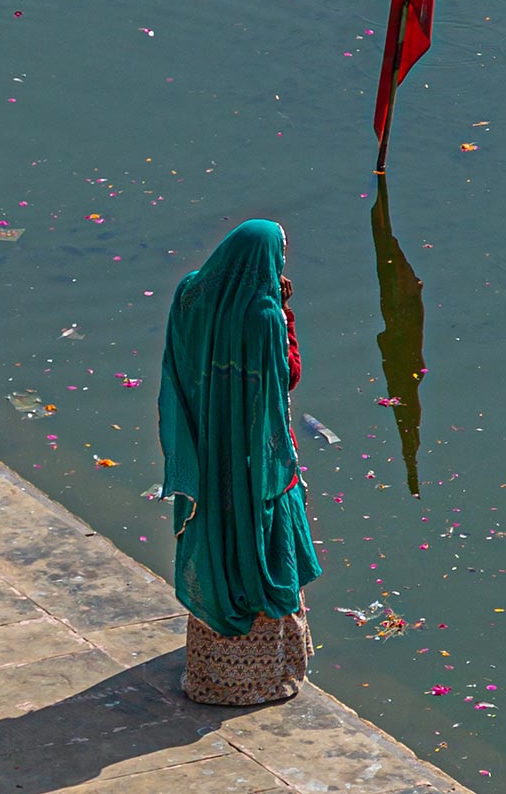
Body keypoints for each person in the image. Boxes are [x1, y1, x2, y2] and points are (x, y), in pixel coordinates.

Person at [157, 218, 322, 704]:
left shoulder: (190, 293)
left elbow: (180, 359)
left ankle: (211, 675)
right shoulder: (265, 314)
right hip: (254, 459)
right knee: (261, 542)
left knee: (217, 540)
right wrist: (285, 311)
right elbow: (284, 377)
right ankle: (260, 679)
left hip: (207, 447)